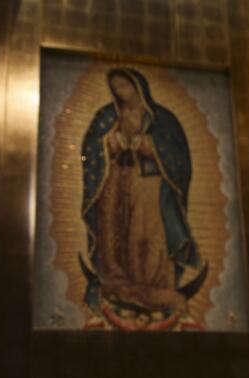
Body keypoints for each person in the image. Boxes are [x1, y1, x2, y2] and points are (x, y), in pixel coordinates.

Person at [79, 67, 207, 330]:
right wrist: (109, 144)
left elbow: (179, 156)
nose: (120, 92)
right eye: (115, 88)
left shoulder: (162, 119)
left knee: (146, 234)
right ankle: (116, 282)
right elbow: (89, 149)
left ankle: (155, 288)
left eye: (124, 86)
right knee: (114, 232)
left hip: (148, 185)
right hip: (113, 182)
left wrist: (149, 145)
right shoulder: (106, 116)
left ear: (139, 86)